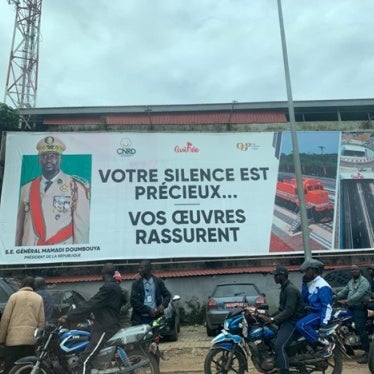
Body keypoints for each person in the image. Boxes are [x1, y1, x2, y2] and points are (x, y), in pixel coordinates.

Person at [15, 135, 90, 246]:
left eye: (54, 155)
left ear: (61, 159)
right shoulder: (26, 188)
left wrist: (77, 258)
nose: (49, 159)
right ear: (39, 160)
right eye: (44, 155)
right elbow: (19, 227)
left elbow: (81, 229)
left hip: (60, 252)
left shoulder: (75, 186)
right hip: (30, 251)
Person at [69, 263, 125, 374]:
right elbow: (99, 305)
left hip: (105, 327)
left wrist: (70, 316)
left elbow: (92, 304)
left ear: (103, 273)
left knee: (84, 361)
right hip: (105, 324)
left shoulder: (108, 288)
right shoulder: (114, 287)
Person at [259, 266, 305, 374]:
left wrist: (274, 319)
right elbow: (281, 309)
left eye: (276, 275)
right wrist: (268, 316)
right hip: (287, 320)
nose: (274, 277)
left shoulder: (290, 290)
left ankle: (284, 371)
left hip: (293, 322)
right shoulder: (284, 288)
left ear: (282, 276)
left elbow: (289, 311)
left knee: (279, 346)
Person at [0, 276, 45, 374]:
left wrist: (1, 339)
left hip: (13, 341)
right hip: (30, 341)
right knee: (27, 368)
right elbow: (41, 322)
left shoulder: (14, 296)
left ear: (22, 284)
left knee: (10, 368)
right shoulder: (38, 298)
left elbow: (5, 319)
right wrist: (39, 340)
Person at [295, 259, 335, 358]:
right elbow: (304, 298)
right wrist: (304, 284)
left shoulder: (323, 286)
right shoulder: (312, 283)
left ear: (314, 271)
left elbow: (327, 306)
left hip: (320, 313)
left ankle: (327, 344)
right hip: (312, 312)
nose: (305, 273)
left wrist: (323, 324)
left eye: (307, 270)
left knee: (301, 325)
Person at [336, 264, 371, 364]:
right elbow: (344, 291)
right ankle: (349, 349)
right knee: (342, 324)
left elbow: (359, 294)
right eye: (352, 270)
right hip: (351, 307)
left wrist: (347, 300)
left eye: (355, 270)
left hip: (360, 308)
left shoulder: (363, 282)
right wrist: (335, 296)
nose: (353, 271)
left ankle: (368, 353)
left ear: (359, 270)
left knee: (360, 328)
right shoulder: (351, 282)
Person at [130, 260, 171, 326]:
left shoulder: (158, 282)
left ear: (148, 268)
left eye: (141, 268)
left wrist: (163, 305)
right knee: (141, 336)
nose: (139, 270)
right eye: (138, 268)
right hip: (140, 319)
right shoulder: (136, 284)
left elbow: (167, 295)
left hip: (156, 318)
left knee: (155, 336)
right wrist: (148, 310)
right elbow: (133, 301)